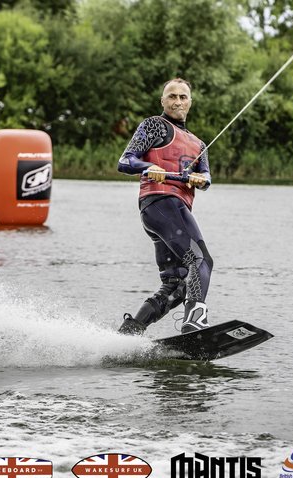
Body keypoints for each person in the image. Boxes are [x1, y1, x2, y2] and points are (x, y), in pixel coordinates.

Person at [117, 78, 213, 335]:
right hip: (161, 203)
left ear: (190, 102)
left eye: (183, 97)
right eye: (172, 96)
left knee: (177, 285)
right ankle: (195, 322)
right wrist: (148, 166)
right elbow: (125, 161)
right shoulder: (154, 126)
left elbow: (207, 178)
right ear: (163, 101)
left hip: (167, 214)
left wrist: (200, 179)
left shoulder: (199, 145)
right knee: (201, 260)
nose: (177, 101)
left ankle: (129, 333)